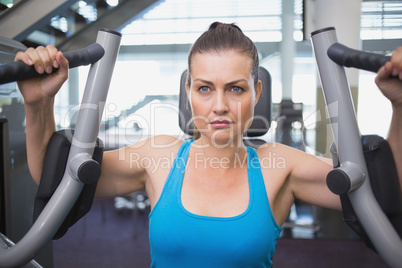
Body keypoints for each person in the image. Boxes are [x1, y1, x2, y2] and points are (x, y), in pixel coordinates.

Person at [15, 22, 402, 267]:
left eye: (235, 88)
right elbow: (57, 183)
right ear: (188, 92)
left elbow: (387, 192)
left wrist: (399, 107)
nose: (219, 106)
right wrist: (38, 104)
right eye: (204, 88)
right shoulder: (158, 156)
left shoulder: (281, 166)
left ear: (257, 91)